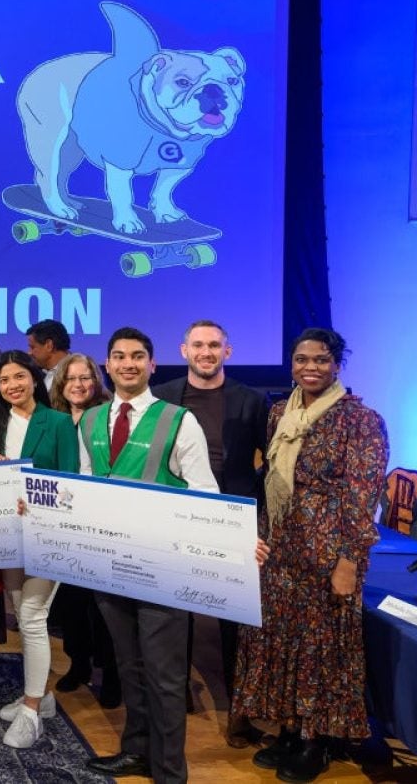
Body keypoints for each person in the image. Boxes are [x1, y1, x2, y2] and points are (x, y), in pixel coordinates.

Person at [233, 329, 388, 783]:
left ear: (337, 363)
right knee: (279, 637)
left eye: (320, 360)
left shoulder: (361, 420)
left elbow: (364, 496)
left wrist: (348, 561)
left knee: (320, 648)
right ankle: (288, 727)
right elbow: (272, 479)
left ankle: (317, 740)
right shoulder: (282, 411)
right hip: (280, 543)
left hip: (328, 549)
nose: (310, 368)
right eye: (302, 359)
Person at [80, 327, 233, 784]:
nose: (128, 363)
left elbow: (206, 493)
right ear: (107, 365)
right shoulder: (89, 421)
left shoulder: (178, 420)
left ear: (152, 365)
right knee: (129, 667)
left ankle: (170, 772)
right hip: (110, 565)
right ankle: (137, 752)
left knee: (166, 677)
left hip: (162, 569)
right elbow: (87, 487)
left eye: (138, 356)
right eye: (119, 356)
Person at [153, 321, 270, 748]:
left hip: (233, 517)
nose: (206, 352)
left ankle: (239, 708)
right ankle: (177, 687)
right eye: (198, 345)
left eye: (214, 345)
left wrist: (257, 513)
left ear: (228, 351)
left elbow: (269, 461)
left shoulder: (252, 400)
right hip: (176, 515)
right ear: (183, 349)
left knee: (233, 617)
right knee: (175, 606)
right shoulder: (163, 396)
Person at [0, 350, 79, 748]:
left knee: (32, 615)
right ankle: (41, 699)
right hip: (8, 535)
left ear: (34, 378)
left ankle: (30, 711)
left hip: (47, 534)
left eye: (19, 376)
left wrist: (33, 495)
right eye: (4, 380)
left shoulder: (57, 422)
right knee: (24, 620)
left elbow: (72, 482)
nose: (12, 385)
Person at [45, 352, 121, 707]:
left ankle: (112, 675)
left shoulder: (108, 417)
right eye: (71, 378)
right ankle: (79, 664)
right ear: (61, 384)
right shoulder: (52, 419)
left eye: (85, 378)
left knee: (104, 606)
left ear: (96, 381)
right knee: (72, 602)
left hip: (102, 522)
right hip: (62, 525)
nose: (78, 385)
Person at [26, 319, 72, 389]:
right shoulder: (38, 374)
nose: (29, 353)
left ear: (49, 345)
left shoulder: (74, 374)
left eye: (32, 347)